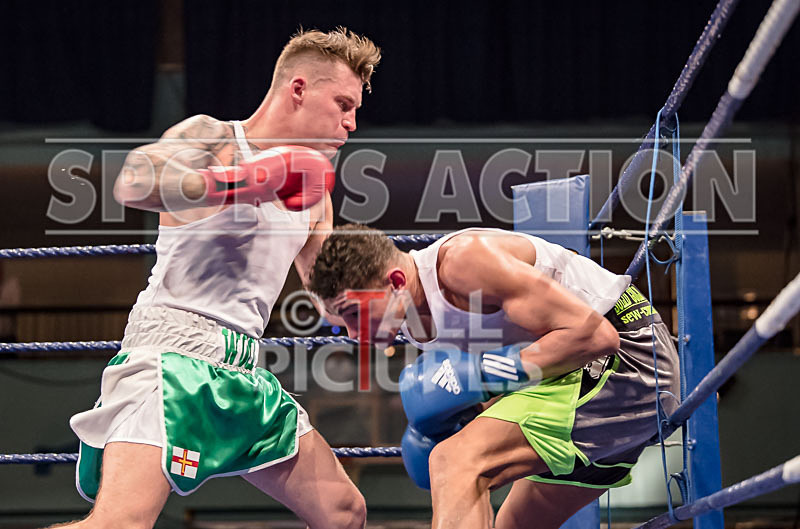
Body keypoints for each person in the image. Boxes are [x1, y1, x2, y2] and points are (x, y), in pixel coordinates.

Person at [61, 28, 380, 529]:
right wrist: (246, 184)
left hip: (248, 371)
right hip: (171, 357)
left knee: (345, 512)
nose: (351, 123)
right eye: (343, 103)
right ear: (298, 88)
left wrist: (380, 310)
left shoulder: (315, 192)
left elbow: (326, 291)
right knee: (119, 523)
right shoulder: (212, 137)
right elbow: (136, 183)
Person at [309, 224, 679, 529]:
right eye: (340, 323)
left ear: (395, 281)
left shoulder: (462, 263)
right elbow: (515, 365)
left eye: (353, 313)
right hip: (581, 382)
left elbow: (596, 336)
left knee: (454, 463)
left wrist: (483, 375)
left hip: (631, 361)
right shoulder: (401, 314)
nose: (353, 333)